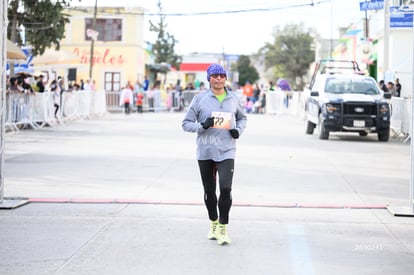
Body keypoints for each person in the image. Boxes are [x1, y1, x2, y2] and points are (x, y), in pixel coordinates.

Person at [182, 63, 247, 245]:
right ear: (209, 78)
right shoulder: (199, 99)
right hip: (206, 150)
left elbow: (242, 118)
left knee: (226, 189)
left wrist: (238, 131)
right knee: (210, 191)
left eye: (222, 76)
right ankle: (213, 222)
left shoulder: (233, 98)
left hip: (227, 150)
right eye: (215, 76)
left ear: (226, 78)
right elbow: (186, 123)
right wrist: (202, 126)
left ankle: (223, 228)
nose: (219, 79)